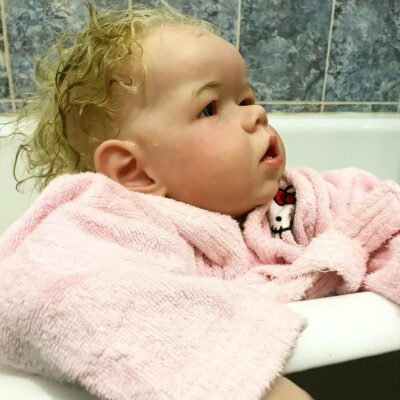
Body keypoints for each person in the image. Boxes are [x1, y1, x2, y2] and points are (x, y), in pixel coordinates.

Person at [1, 2, 399, 400]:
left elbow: (381, 216)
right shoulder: (109, 226)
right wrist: (242, 377)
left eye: (246, 99)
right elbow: (61, 295)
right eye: (209, 108)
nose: (257, 114)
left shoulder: (294, 198)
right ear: (135, 171)